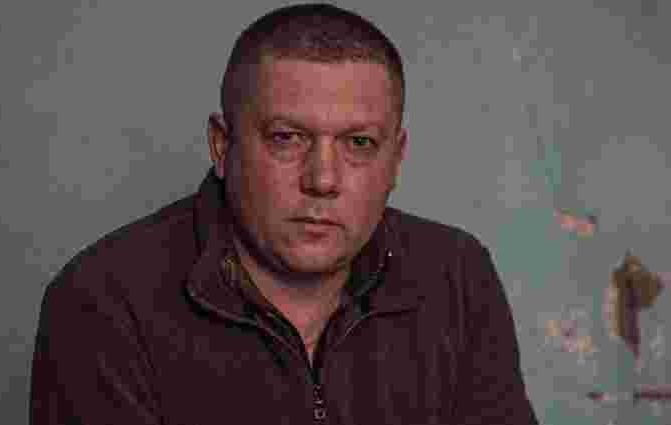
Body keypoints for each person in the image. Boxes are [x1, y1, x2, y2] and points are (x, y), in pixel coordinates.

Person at [29, 3, 539, 424]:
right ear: (222, 145)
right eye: (287, 138)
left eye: (359, 143)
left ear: (396, 159)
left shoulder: (455, 275)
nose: (322, 179)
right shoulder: (104, 300)